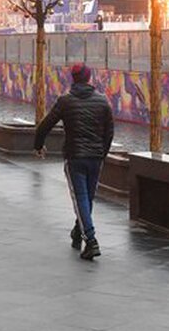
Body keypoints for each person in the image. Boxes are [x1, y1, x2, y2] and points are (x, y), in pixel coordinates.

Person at [33, 64, 114, 261]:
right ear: (88, 78)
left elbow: (44, 126)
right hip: (96, 158)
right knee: (88, 198)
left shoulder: (65, 101)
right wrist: (101, 153)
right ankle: (79, 232)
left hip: (75, 157)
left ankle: (91, 240)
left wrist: (38, 146)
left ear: (73, 79)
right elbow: (109, 132)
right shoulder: (103, 101)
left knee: (80, 198)